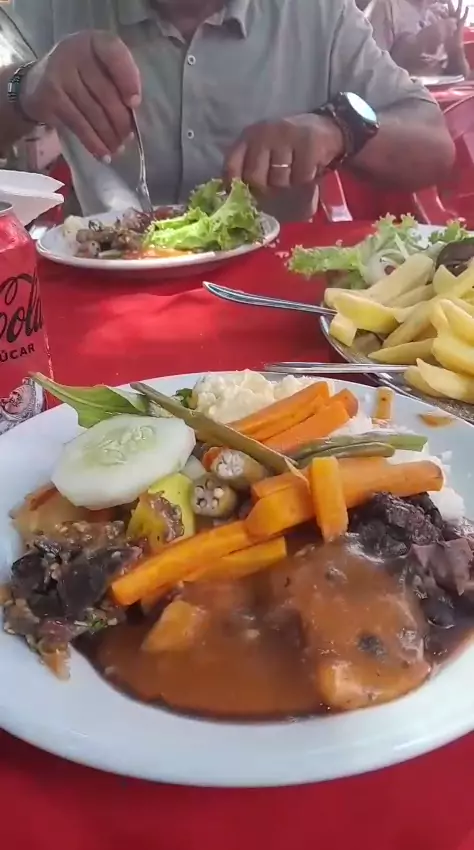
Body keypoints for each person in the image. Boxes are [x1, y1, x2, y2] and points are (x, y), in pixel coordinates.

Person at [0, 0, 455, 221]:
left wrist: (338, 129)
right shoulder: (54, 7)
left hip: (270, 295)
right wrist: (27, 86)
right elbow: (12, 84)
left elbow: (434, 145)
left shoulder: (316, 12)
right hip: (98, 278)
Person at [367, 0, 470, 77]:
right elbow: (369, 72)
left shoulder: (441, 12)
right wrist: (418, 44)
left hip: (439, 98)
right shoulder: (386, 7)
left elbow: (460, 79)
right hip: (403, 98)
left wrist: (456, 48)